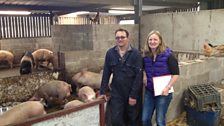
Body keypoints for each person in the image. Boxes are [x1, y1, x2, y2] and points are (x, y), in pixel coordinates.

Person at [99, 28, 143, 126]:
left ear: (128, 38)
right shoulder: (110, 53)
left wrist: (133, 95)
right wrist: (102, 91)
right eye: (117, 37)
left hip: (131, 90)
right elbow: (106, 72)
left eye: (122, 37)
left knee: (132, 118)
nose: (120, 39)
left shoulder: (136, 54)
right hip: (117, 92)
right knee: (116, 119)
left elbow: (138, 76)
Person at [142, 30, 179, 126]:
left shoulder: (168, 55)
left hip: (163, 92)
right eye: (150, 39)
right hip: (149, 91)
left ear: (160, 41)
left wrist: (167, 87)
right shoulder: (145, 55)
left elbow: (176, 74)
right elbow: (143, 68)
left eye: (155, 39)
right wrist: (144, 75)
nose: (152, 42)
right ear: (147, 41)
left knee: (160, 120)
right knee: (145, 119)